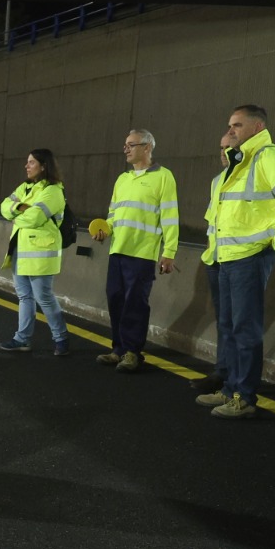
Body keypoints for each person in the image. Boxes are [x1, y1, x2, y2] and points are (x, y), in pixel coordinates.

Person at [196, 104, 275, 419]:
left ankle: (244, 397)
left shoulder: (271, 157)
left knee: (245, 328)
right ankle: (229, 388)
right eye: (229, 125)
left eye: (237, 125)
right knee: (230, 327)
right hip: (225, 258)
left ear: (257, 127)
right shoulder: (236, 166)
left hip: (249, 258)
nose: (231, 130)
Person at [90, 129, 179, 373]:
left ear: (147, 147)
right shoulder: (123, 179)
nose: (126, 149)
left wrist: (169, 252)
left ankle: (132, 352)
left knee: (135, 303)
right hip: (118, 249)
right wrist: (104, 230)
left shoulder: (164, 177)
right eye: (125, 145)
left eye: (131, 145)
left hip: (142, 253)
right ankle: (118, 349)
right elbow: (113, 214)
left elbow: (170, 217)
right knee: (116, 298)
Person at [0, 149, 71, 356]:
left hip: (41, 253)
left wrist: (15, 215)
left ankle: (61, 338)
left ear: (44, 166)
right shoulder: (26, 187)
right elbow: (4, 205)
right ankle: (22, 339)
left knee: (43, 297)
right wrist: (21, 206)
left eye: (31, 162)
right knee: (24, 296)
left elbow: (35, 218)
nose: (26, 166)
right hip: (20, 250)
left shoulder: (54, 191)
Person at [191, 137, 235, 395]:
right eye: (220, 148)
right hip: (216, 261)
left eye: (227, 148)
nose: (222, 152)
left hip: (238, 261)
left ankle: (234, 384)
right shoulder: (218, 181)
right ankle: (222, 373)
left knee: (236, 324)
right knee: (224, 322)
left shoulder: (249, 177)